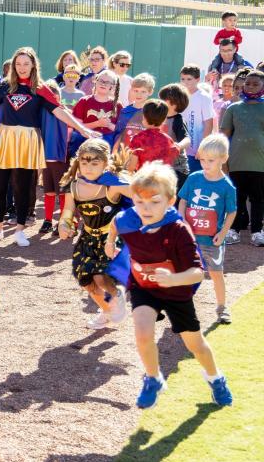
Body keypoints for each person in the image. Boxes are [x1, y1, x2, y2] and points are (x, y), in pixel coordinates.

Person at [105, 162, 233, 409]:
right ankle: (153, 379)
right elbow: (116, 222)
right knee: (142, 334)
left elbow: (198, 273)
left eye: (154, 201)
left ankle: (216, 378)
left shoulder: (178, 230)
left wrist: (174, 279)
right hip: (145, 287)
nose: (146, 208)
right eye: (140, 201)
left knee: (195, 344)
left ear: (171, 200)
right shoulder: (128, 219)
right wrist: (111, 242)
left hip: (177, 290)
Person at [0, 47, 100, 247]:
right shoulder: (5, 86)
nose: (22, 67)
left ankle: (19, 230)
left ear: (33, 65)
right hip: (7, 137)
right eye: (18, 64)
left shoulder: (40, 88)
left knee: (23, 186)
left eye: (26, 63)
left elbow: (60, 112)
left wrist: (83, 129)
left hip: (29, 140)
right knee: (1, 185)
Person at [58, 138, 134, 329]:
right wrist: (64, 224)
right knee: (85, 280)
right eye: (84, 163)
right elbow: (68, 210)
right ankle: (107, 311)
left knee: (100, 275)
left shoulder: (111, 185)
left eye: (95, 163)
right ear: (78, 163)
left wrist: (124, 182)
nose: (89, 168)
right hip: (88, 237)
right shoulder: (73, 186)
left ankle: (117, 295)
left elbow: (139, 195)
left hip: (112, 238)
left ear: (105, 163)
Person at [178, 134, 237, 324]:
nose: (205, 164)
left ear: (224, 159)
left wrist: (223, 232)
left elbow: (231, 212)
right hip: (189, 237)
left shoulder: (227, 186)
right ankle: (184, 308)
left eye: (210, 160)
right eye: (202, 159)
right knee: (187, 272)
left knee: (216, 273)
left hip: (212, 240)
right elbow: (183, 200)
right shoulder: (194, 178)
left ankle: (222, 307)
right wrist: (182, 221)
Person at [220, 69, 264, 246]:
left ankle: (257, 232)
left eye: (256, 84)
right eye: (247, 83)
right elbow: (224, 135)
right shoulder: (233, 108)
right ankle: (233, 230)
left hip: (260, 163)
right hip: (236, 161)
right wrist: (223, 159)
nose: (250, 87)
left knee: (258, 199)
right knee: (236, 197)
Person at [38, 81, 68, 234]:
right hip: (45, 157)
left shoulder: (63, 110)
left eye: (54, 92)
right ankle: (48, 220)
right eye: (48, 92)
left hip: (59, 157)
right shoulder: (41, 110)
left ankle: (62, 222)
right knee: (48, 190)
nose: (51, 95)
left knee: (62, 191)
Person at [70, 70, 122, 154]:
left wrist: (108, 124)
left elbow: (119, 130)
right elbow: (77, 127)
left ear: (112, 86)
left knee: (112, 139)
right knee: (77, 137)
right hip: (87, 136)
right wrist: (97, 124)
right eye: (101, 81)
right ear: (95, 82)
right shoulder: (84, 101)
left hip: (107, 139)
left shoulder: (117, 105)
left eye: (107, 82)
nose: (103, 84)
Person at [180, 64, 216, 172]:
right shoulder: (179, 95)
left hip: (196, 151)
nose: (185, 82)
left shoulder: (204, 97)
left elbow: (209, 124)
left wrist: (202, 148)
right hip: (181, 149)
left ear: (197, 79)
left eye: (189, 79)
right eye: (183, 79)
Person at [127, 99, 181, 172]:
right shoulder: (168, 140)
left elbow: (131, 167)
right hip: (162, 180)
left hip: (143, 179)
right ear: (164, 119)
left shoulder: (138, 139)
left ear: (144, 118)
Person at [112, 73, 156, 152]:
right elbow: (118, 134)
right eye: (136, 90)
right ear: (131, 90)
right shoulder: (125, 111)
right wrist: (114, 153)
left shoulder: (152, 112)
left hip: (144, 154)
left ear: (150, 92)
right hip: (125, 153)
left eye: (143, 91)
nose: (139, 94)